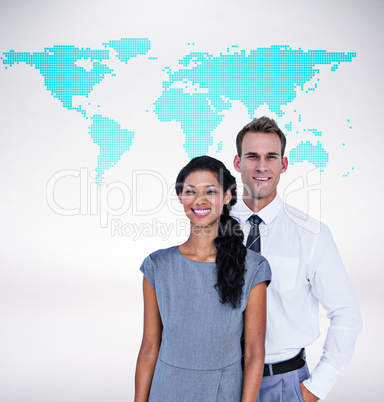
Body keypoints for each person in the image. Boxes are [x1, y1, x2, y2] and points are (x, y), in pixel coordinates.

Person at [231, 116, 363, 401]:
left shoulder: (312, 235)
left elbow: (346, 314)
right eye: (252, 156)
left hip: (284, 384)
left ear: (284, 164)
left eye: (271, 157)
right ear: (238, 163)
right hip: (222, 379)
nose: (262, 166)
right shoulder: (212, 231)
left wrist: (313, 389)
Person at [135, 156, 271, 402]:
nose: (199, 199)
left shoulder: (253, 267)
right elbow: (149, 348)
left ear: (227, 197)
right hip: (165, 391)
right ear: (180, 198)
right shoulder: (157, 266)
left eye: (210, 191)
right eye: (190, 191)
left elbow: (254, 352)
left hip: (222, 393)